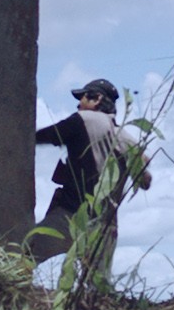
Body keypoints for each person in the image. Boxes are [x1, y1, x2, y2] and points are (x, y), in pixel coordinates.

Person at [29, 79, 150, 267]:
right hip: (105, 225)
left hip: (71, 215)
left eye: (82, 98)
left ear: (97, 99)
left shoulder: (84, 119)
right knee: (96, 290)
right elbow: (145, 179)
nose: (79, 104)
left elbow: (43, 136)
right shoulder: (125, 137)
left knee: (23, 258)